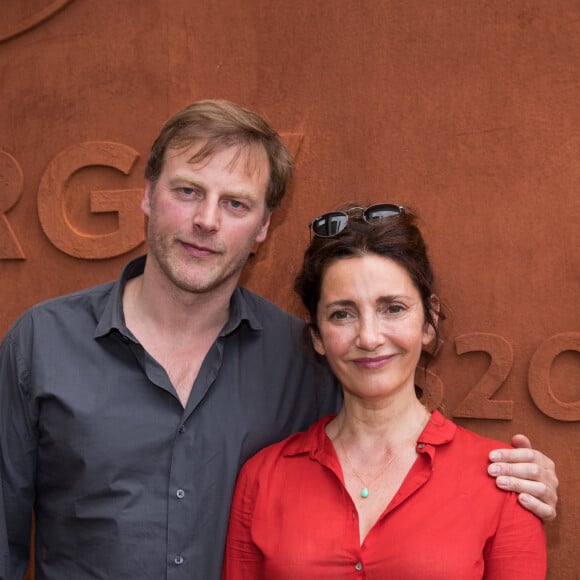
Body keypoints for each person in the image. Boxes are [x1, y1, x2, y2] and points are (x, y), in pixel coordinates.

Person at [0, 102, 555, 580]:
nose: (207, 220)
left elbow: (388, 438)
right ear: (146, 195)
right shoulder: (41, 345)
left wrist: (517, 481)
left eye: (236, 203)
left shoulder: (302, 356)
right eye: (188, 191)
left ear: (265, 225)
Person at [222, 203, 548, 579]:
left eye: (392, 308)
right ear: (317, 336)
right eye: (342, 313)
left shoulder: (503, 478)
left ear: (430, 320)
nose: (369, 337)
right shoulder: (264, 478)